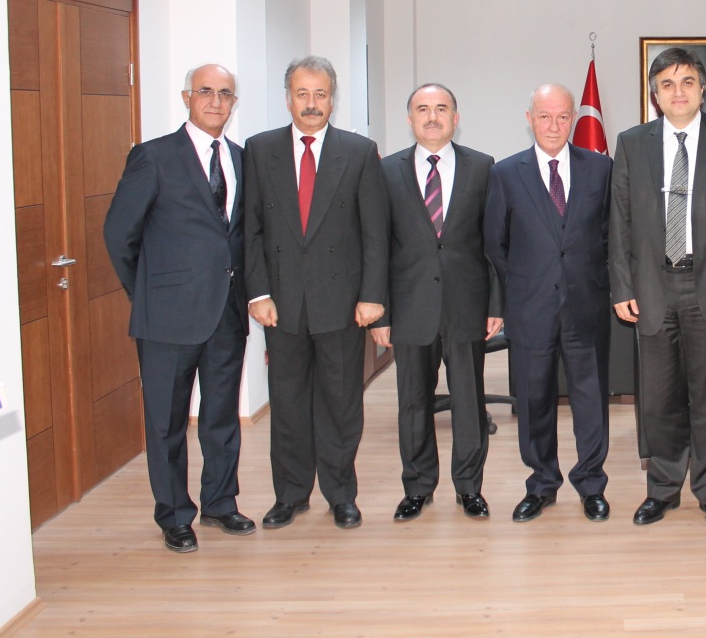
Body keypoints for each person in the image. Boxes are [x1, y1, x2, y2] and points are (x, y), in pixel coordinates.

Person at [103, 64, 250, 553]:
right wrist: (146, 292)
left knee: (221, 418)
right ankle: (173, 515)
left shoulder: (241, 159)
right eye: (205, 91)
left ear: (234, 103)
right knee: (166, 423)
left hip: (226, 313)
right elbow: (119, 233)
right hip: (166, 318)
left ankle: (220, 503)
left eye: (225, 94)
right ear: (187, 97)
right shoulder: (153, 156)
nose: (215, 101)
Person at [610, 48, 706, 530]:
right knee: (658, 399)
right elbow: (619, 220)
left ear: (703, 89)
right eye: (668, 84)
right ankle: (662, 489)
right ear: (655, 94)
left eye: (688, 82)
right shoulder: (632, 143)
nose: (678, 92)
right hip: (652, 286)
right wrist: (622, 285)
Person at [243, 55, 389, 531]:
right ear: (288, 98)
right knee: (286, 403)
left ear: (332, 99)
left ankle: (341, 494)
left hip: (342, 303)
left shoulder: (359, 152)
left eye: (320, 94)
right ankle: (290, 495)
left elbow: (375, 232)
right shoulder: (260, 150)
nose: (311, 103)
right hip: (280, 303)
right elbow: (251, 230)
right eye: (302, 94)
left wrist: (372, 295)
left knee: (341, 403)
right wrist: (257, 293)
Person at [484, 84, 613, 523]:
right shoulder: (505, 173)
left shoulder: (600, 168)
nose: (554, 125)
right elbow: (495, 245)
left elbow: (611, 235)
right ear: (529, 118)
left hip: (586, 306)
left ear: (574, 117)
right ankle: (541, 484)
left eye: (562, 116)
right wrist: (517, 293)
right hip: (530, 309)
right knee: (534, 401)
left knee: (590, 403)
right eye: (544, 116)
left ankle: (591, 484)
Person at [372, 84, 500, 522]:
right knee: (412, 402)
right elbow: (379, 246)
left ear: (455, 118)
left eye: (441, 108)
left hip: (467, 304)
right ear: (409, 119)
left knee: (469, 402)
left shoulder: (483, 167)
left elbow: (493, 243)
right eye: (423, 109)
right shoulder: (386, 171)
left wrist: (496, 304)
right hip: (410, 307)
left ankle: (469, 488)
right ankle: (417, 487)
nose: (432, 116)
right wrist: (381, 311)